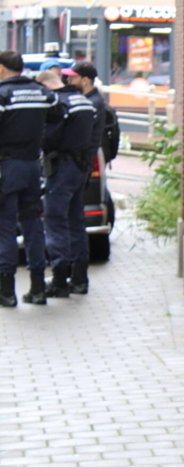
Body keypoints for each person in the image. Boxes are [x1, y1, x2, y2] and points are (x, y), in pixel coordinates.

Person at [0, 50, 58, 306]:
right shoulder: (42, 92)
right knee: (34, 227)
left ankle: (7, 291)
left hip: (6, 168)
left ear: (1, 70)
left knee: (5, 228)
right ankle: (38, 288)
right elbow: (59, 114)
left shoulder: (2, 94)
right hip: (32, 167)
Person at [36, 69, 95, 298]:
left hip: (61, 167)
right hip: (79, 167)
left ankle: (60, 280)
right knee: (76, 222)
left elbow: (49, 137)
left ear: (46, 86)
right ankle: (80, 279)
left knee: (55, 222)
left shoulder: (58, 104)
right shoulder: (84, 101)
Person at [61, 61, 106, 294]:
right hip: (82, 167)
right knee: (74, 223)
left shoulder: (92, 105)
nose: (68, 81)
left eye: (72, 78)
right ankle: (76, 276)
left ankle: (77, 277)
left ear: (85, 80)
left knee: (73, 223)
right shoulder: (93, 102)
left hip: (78, 168)